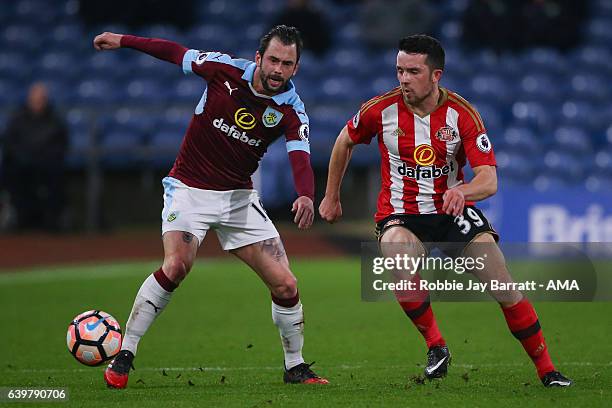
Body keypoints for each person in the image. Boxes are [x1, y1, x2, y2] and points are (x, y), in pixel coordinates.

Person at [318, 34, 572, 387]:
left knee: (504, 287)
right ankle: (436, 346)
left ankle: (548, 371)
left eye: (413, 71)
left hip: (452, 213)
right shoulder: (380, 109)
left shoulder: (462, 114)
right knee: (396, 254)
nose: (404, 79)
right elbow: (345, 140)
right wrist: (332, 196)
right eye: (399, 70)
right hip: (402, 214)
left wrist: (463, 191)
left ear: (436, 75)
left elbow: (489, 179)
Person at [93, 25, 328, 389]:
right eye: (274, 60)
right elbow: (173, 51)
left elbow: (301, 155)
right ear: (258, 58)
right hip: (189, 188)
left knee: (285, 284)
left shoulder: (291, 108)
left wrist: (305, 194)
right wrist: (123, 41)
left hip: (238, 200)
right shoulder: (223, 70)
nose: (278, 70)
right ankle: (126, 352)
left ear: (296, 68)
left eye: (287, 63)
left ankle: (295, 367)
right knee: (177, 265)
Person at [1, 82, 68, 232]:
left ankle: (53, 222)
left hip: (47, 165)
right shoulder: (18, 119)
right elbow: (9, 143)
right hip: (21, 164)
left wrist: (43, 157)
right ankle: (19, 219)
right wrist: (23, 157)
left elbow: (61, 145)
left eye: (42, 99)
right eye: (36, 99)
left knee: (54, 175)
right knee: (13, 172)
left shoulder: (55, 120)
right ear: (29, 99)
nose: (38, 102)